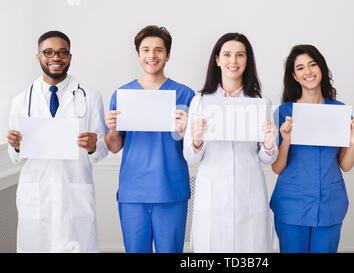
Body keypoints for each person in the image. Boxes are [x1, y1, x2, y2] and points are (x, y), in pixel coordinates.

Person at [7, 31, 108, 252]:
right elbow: (15, 158)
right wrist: (15, 145)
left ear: (70, 57)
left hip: (74, 191)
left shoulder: (90, 96)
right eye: (49, 52)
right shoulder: (21, 101)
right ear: (38, 56)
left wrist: (93, 146)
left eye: (62, 52)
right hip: (37, 192)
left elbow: (102, 149)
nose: (56, 58)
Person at [183, 33, 278, 253]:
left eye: (240, 55)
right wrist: (197, 140)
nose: (233, 61)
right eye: (227, 54)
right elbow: (191, 157)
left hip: (249, 191)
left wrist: (269, 144)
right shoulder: (201, 102)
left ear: (247, 60)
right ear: (217, 59)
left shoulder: (260, 103)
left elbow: (267, 159)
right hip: (212, 192)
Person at [104, 25, 195, 253]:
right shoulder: (122, 95)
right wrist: (113, 129)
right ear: (138, 55)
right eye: (146, 50)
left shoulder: (185, 94)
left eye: (158, 50)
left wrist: (186, 132)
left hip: (170, 189)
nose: (151, 55)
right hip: (133, 190)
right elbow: (115, 147)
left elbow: (194, 149)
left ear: (168, 55)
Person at [270, 44, 354, 253]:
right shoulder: (284, 113)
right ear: (294, 75)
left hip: (330, 203)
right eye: (300, 68)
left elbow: (345, 165)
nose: (308, 72)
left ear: (321, 68)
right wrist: (286, 140)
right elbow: (277, 168)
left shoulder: (339, 111)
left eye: (312, 65)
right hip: (292, 205)